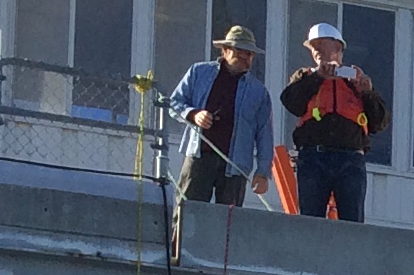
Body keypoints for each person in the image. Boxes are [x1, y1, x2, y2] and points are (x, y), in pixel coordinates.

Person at [279, 22, 388, 221]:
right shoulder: (305, 77)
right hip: (313, 157)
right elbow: (292, 103)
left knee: (351, 223)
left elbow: (379, 122)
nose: (316, 49)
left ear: (338, 47)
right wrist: (318, 77)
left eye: (321, 44)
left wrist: (368, 93)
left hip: (350, 159)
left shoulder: (355, 82)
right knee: (311, 222)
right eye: (313, 46)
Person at [164, 24, 273, 224]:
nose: (246, 57)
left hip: (235, 166)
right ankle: (179, 254)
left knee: (229, 222)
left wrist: (263, 172)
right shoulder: (198, 72)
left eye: (250, 54)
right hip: (199, 156)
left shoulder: (259, 92)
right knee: (187, 214)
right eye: (240, 51)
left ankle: (221, 256)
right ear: (225, 50)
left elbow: (265, 135)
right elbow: (174, 103)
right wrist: (194, 114)